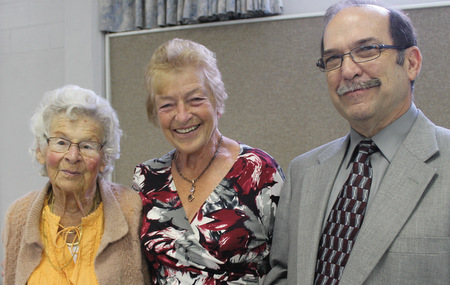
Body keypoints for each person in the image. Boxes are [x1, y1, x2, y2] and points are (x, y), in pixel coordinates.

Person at [265, 1, 449, 284]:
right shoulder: (303, 172)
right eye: (333, 59)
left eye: (366, 50)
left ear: (411, 63)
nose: (348, 70)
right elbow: (282, 273)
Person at [132, 38, 284, 284]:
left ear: (217, 102)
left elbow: (287, 266)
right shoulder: (147, 179)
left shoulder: (259, 171)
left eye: (195, 99)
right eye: (167, 105)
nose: (182, 116)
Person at [1, 85, 150, 284]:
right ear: (41, 151)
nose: (72, 157)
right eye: (61, 142)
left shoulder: (132, 210)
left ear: (104, 158)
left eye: (87, 146)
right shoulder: (18, 216)